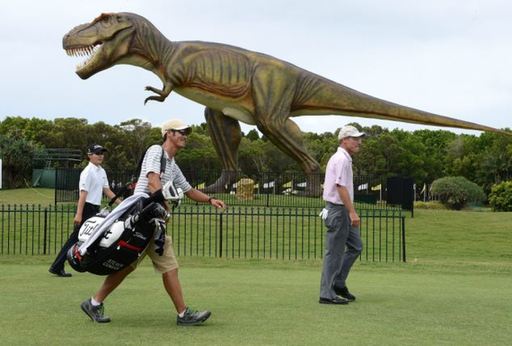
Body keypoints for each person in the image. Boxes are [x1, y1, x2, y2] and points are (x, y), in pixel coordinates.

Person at [80, 119, 226, 326]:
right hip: (140, 218)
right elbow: (152, 179)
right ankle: (183, 315)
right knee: (138, 265)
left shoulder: (173, 165)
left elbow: (188, 190)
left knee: (140, 266)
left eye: (186, 132)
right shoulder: (156, 151)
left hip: (152, 223)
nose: (185, 135)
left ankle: (94, 303)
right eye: (181, 132)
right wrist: (164, 203)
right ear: (168, 133)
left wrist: (210, 200)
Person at [49, 144, 118, 277]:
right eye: (97, 153)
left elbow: (107, 191)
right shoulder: (87, 172)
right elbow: (83, 194)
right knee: (75, 239)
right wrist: (79, 214)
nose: (101, 156)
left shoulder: (101, 171)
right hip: (86, 207)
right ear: (90, 155)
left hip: (94, 208)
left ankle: (61, 265)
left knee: (90, 237)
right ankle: (57, 266)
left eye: (102, 153)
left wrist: (123, 204)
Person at [319, 125, 365, 305]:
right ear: (344, 140)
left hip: (341, 210)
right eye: (354, 138)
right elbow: (340, 186)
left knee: (356, 246)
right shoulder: (341, 159)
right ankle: (326, 293)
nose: (358, 142)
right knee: (334, 252)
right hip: (338, 210)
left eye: (359, 138)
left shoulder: (344, 158)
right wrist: (352, 211)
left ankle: (337, 282)